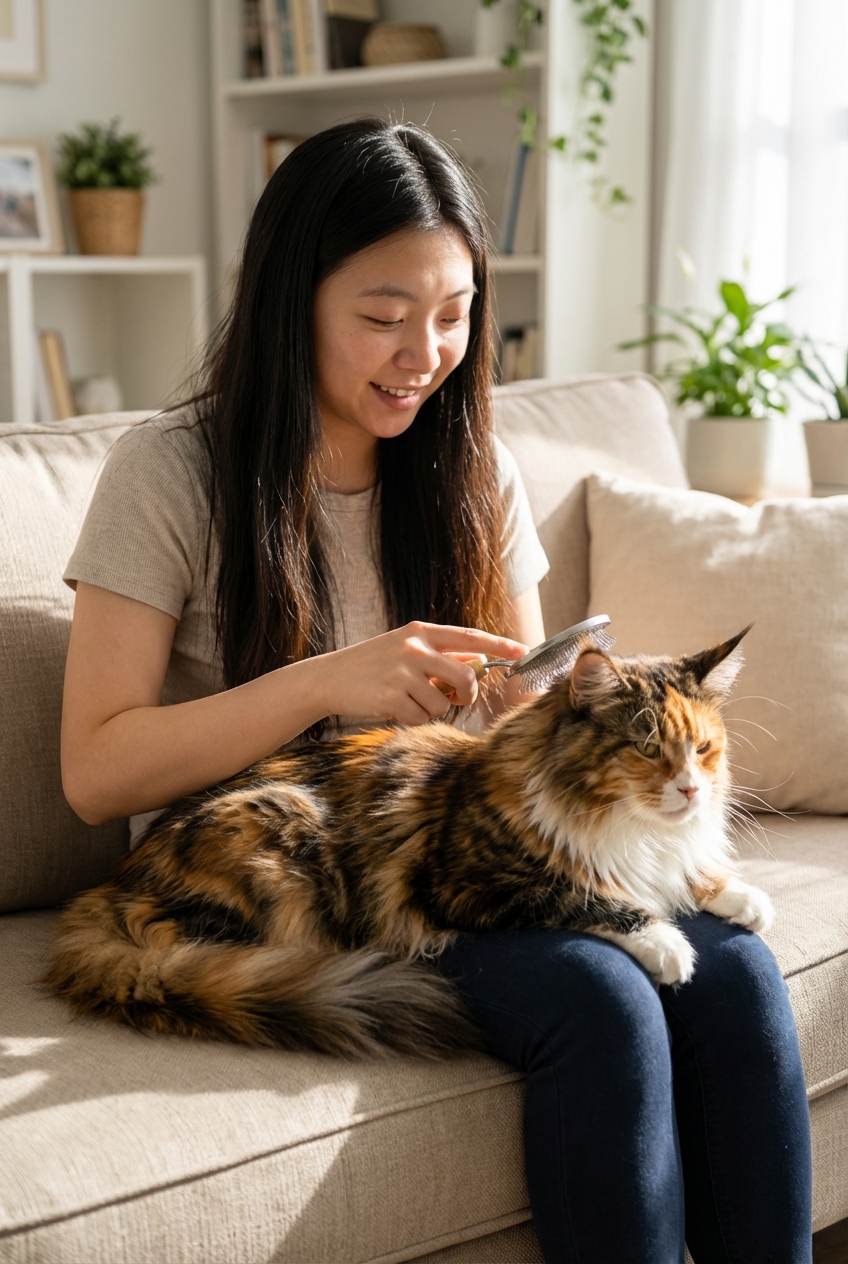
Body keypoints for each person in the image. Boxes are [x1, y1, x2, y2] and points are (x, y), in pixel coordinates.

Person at [60, 118, 812, 1264]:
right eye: (380, 316)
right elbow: (93, 769)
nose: (423, 352)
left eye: (453, 314)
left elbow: (520, 728)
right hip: (306, 873)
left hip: (463, 840)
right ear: (290, 297)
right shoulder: (167, 472)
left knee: (738, 969)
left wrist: (559, 724)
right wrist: (328, 681)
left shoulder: (474, 471)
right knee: (598, 1001)